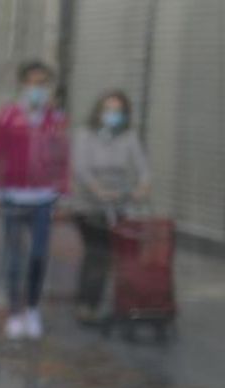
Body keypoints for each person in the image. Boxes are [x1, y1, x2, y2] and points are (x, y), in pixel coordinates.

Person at [0, 60, 70, 341]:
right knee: (14, 257)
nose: (37, 89)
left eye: (43, 84)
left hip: (43, 197)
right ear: (22, 86)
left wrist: (63, 191)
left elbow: (62, 158)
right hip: (12, 196)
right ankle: (15, 311)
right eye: (32, 83)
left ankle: (32, 307)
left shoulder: (55, 120)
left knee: (38, 254)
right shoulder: (6, 117)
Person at [71, 89, 150, 324]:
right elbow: (80, 168)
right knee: (97, 253)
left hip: (119, 205)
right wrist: (97, 190)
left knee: (116, 256)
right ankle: (86, 305)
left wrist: (142, 186)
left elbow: (143, 167)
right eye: (108, 109)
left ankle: (112, 302)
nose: (113, 115)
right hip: (89, 205)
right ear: (99, 111)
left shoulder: (129, 137)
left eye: (118, 111)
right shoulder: (85, 135)